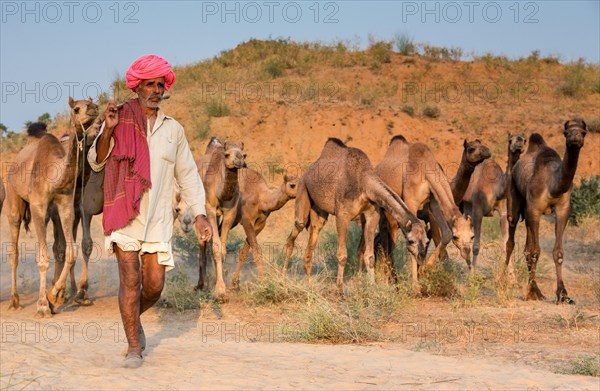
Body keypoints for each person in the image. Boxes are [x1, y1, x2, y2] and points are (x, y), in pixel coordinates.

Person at [88, 54, 212, 368]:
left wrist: (200, 215)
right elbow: (96, 160)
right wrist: (107, 130)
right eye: (150, 84)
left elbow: (188, 175)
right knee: (131, 282)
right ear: (138, 87)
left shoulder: (174, 130)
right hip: (124, 215)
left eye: (160, 84)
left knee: (154, 285)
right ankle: (133, 348)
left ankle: (132, 318)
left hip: (158, 220)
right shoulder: (118, 119)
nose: (156, 90)